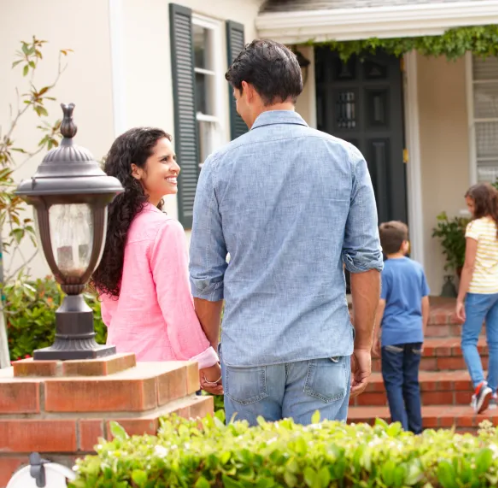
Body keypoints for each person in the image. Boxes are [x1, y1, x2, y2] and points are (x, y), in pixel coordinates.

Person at [189, 39, 383, 426]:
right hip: (321, 346)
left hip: (249, 353)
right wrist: (363, 343)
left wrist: (208, 354)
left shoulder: (218, 166)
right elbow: (365, 262)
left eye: (236, 95)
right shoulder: (346, 158)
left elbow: (207, 277)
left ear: (246, 89)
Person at [92, 128, 222, 395]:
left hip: (120, 366)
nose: (176, 167)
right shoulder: (164, 230)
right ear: (136, 170)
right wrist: (207, 364)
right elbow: (178, 311)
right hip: (163, 372)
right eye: (164, 160)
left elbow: (109, 313)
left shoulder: (108, 229)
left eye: (173, 159)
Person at [455, 183, 498, 414]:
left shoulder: (475, 227)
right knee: (495, 341)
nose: (469, 209)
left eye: (471, 205)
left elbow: (469, 266)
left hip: (479, 290)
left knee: (468, 340)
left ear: (480, 203)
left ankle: (480, 385)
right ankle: (493, 391)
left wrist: (460, 298)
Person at [372, 222, 429, 434]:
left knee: (394, 383)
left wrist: (374, 335)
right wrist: (421, 332)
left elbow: (380, 304)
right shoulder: (417, 268)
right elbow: (425, 303)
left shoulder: (384, 271)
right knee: (411, 384)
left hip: (393, 335)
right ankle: (417, 430)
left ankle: (400, 431)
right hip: (414, 333)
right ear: (405, 244)